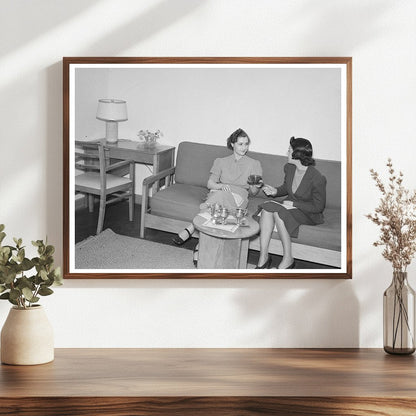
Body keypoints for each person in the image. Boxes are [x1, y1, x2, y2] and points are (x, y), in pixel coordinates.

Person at [172, 128, 263, 265]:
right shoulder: (220, 161)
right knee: (218, 197)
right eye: (240, 144)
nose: (244, 147)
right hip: (218, 192)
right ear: (232, 144)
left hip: (238, 198)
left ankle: (191, 229)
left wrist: (256, 185)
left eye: (246, 144)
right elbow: (210, 183)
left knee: (216, 201)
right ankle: (199, 246)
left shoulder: (254, 164)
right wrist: (220, 186)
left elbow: (253, 192)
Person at [256, 136, 326, 269]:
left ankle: (288, 258)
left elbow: (318, 207)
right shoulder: (289, 168)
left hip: (308, 213)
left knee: (278, 212)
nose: (287, 153)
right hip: (290, 207)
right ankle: (263, 257)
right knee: (267, 209)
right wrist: (275, 191)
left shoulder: (317, 178)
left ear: (297, 155)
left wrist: (294, 205)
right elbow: (286, 188)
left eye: (289, 150)